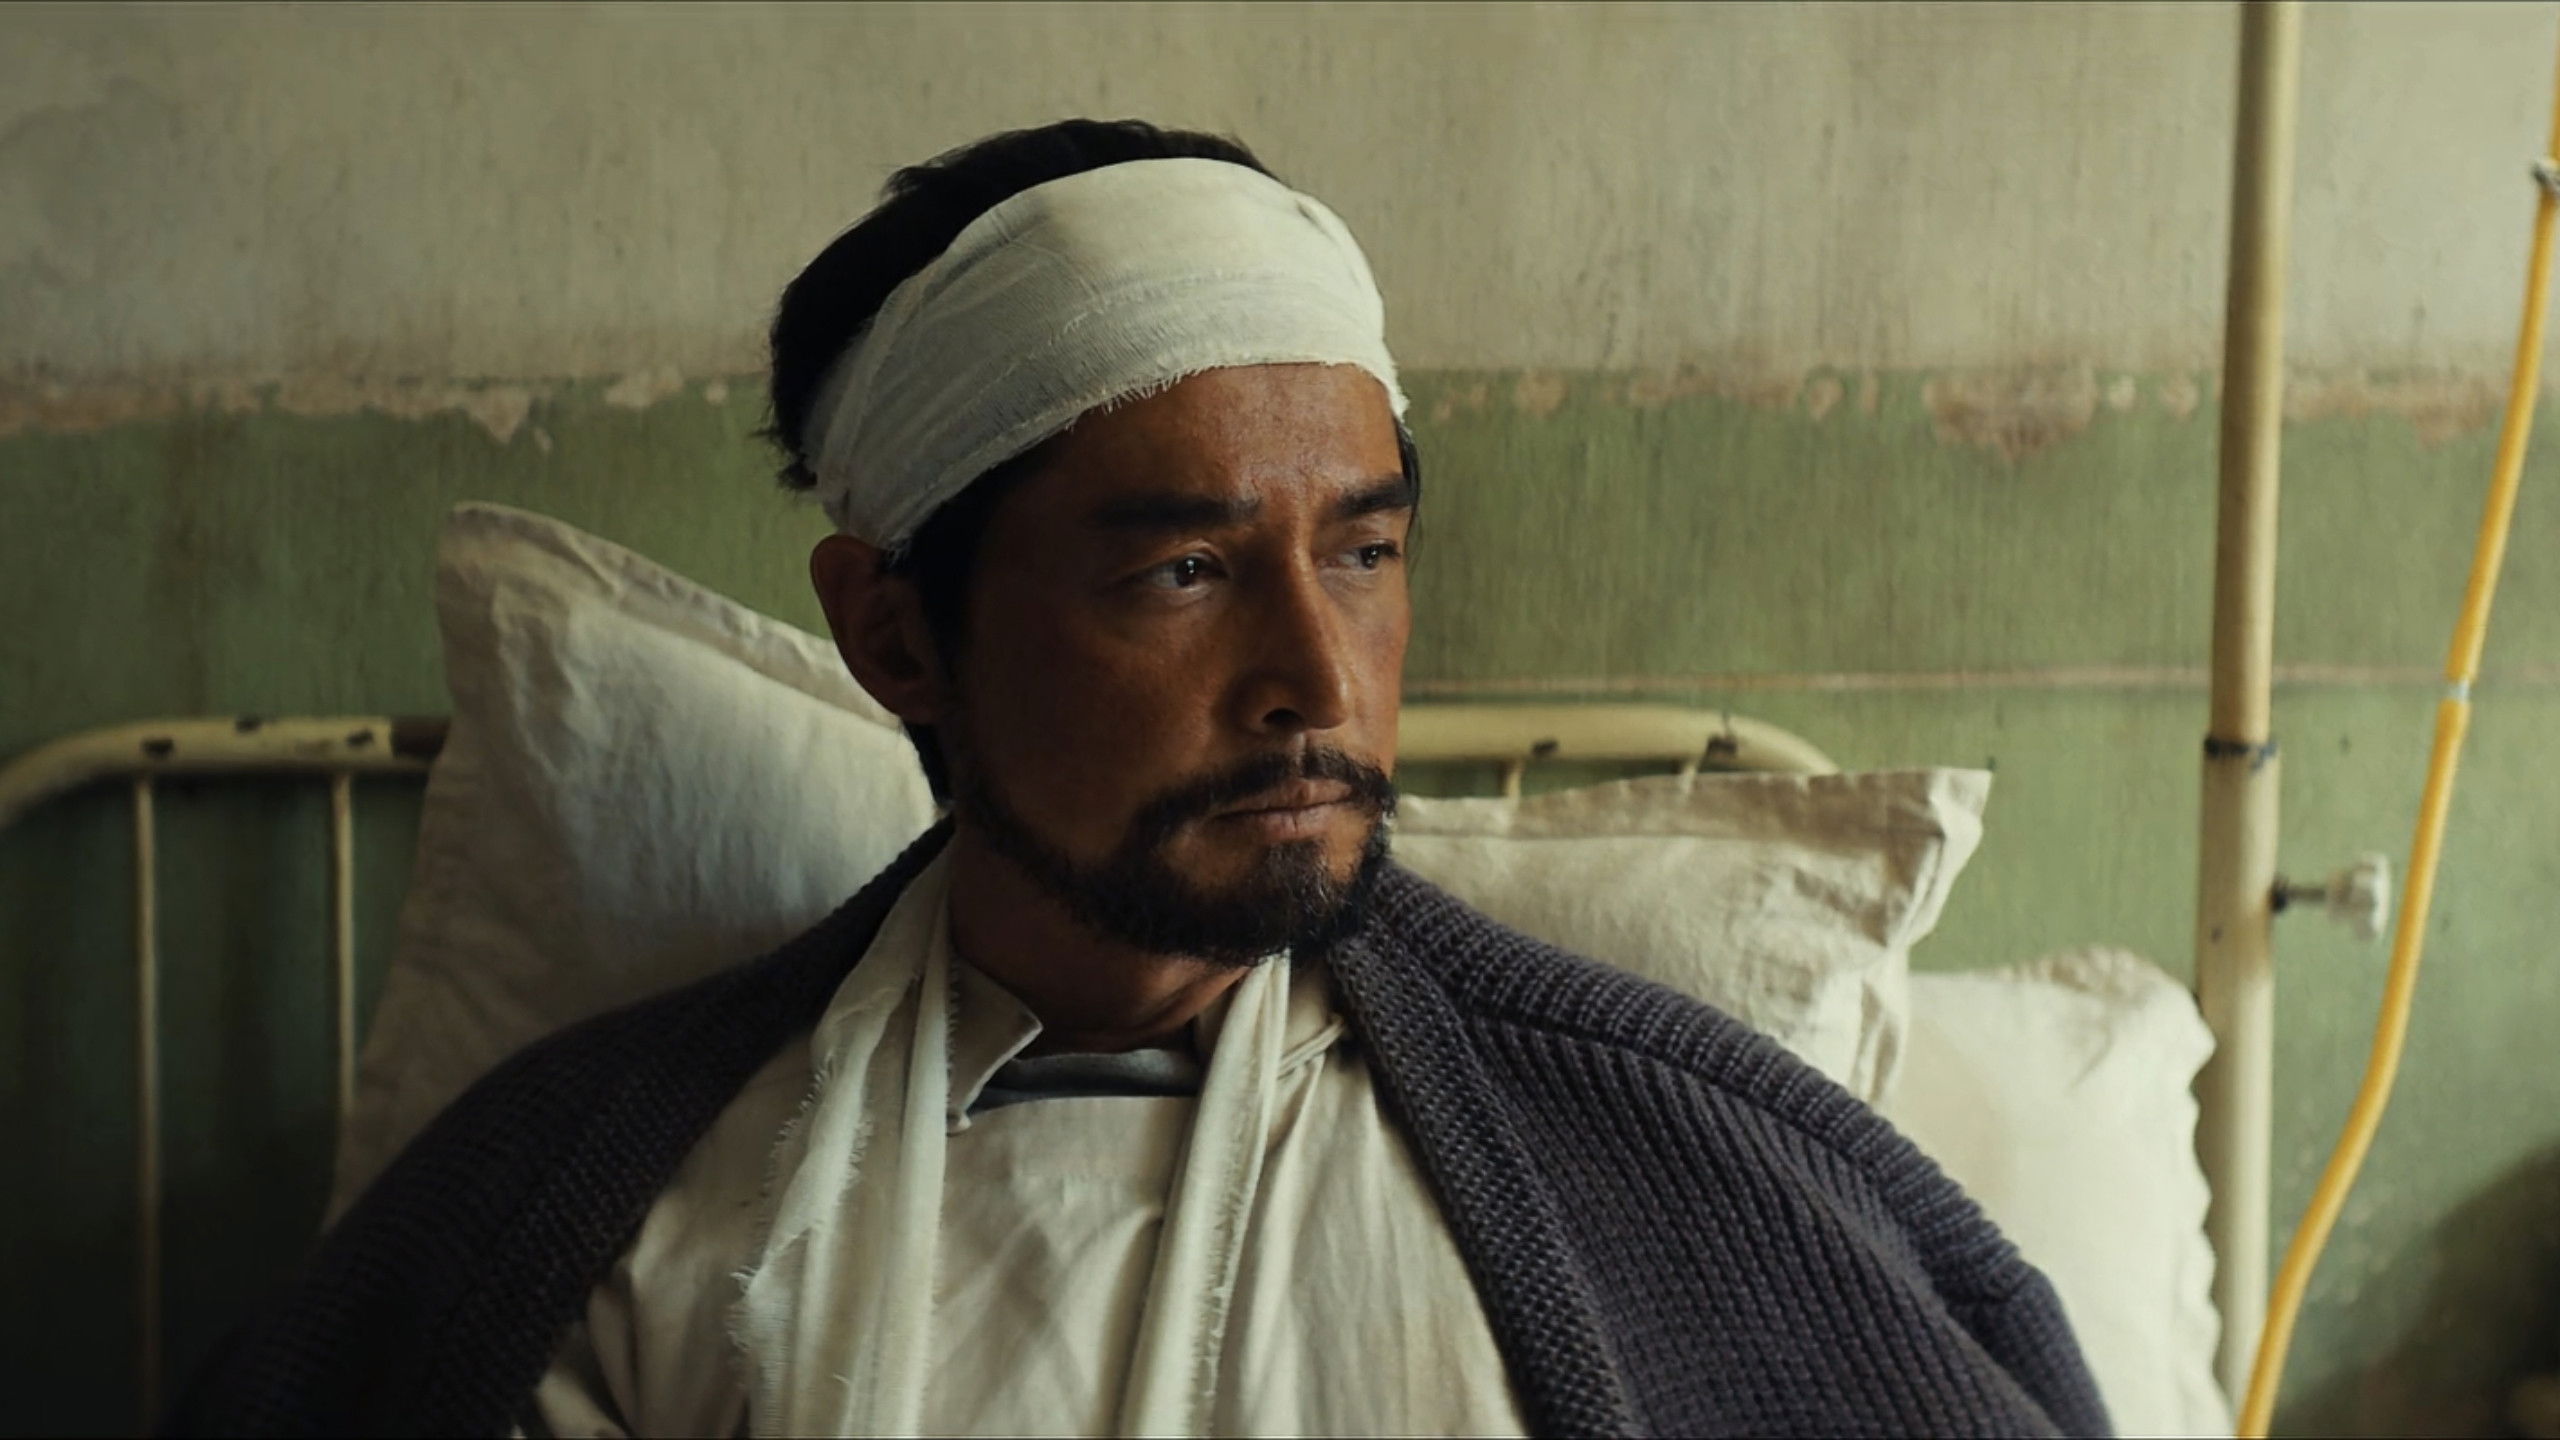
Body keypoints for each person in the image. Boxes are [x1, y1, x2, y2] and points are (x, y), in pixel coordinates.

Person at [169, 119, 2109, 1438]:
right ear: (894, 636)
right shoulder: (588, 1220)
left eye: (1363, 551)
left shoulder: (1693, 1175)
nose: (1314, 680)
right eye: (1181, 572)